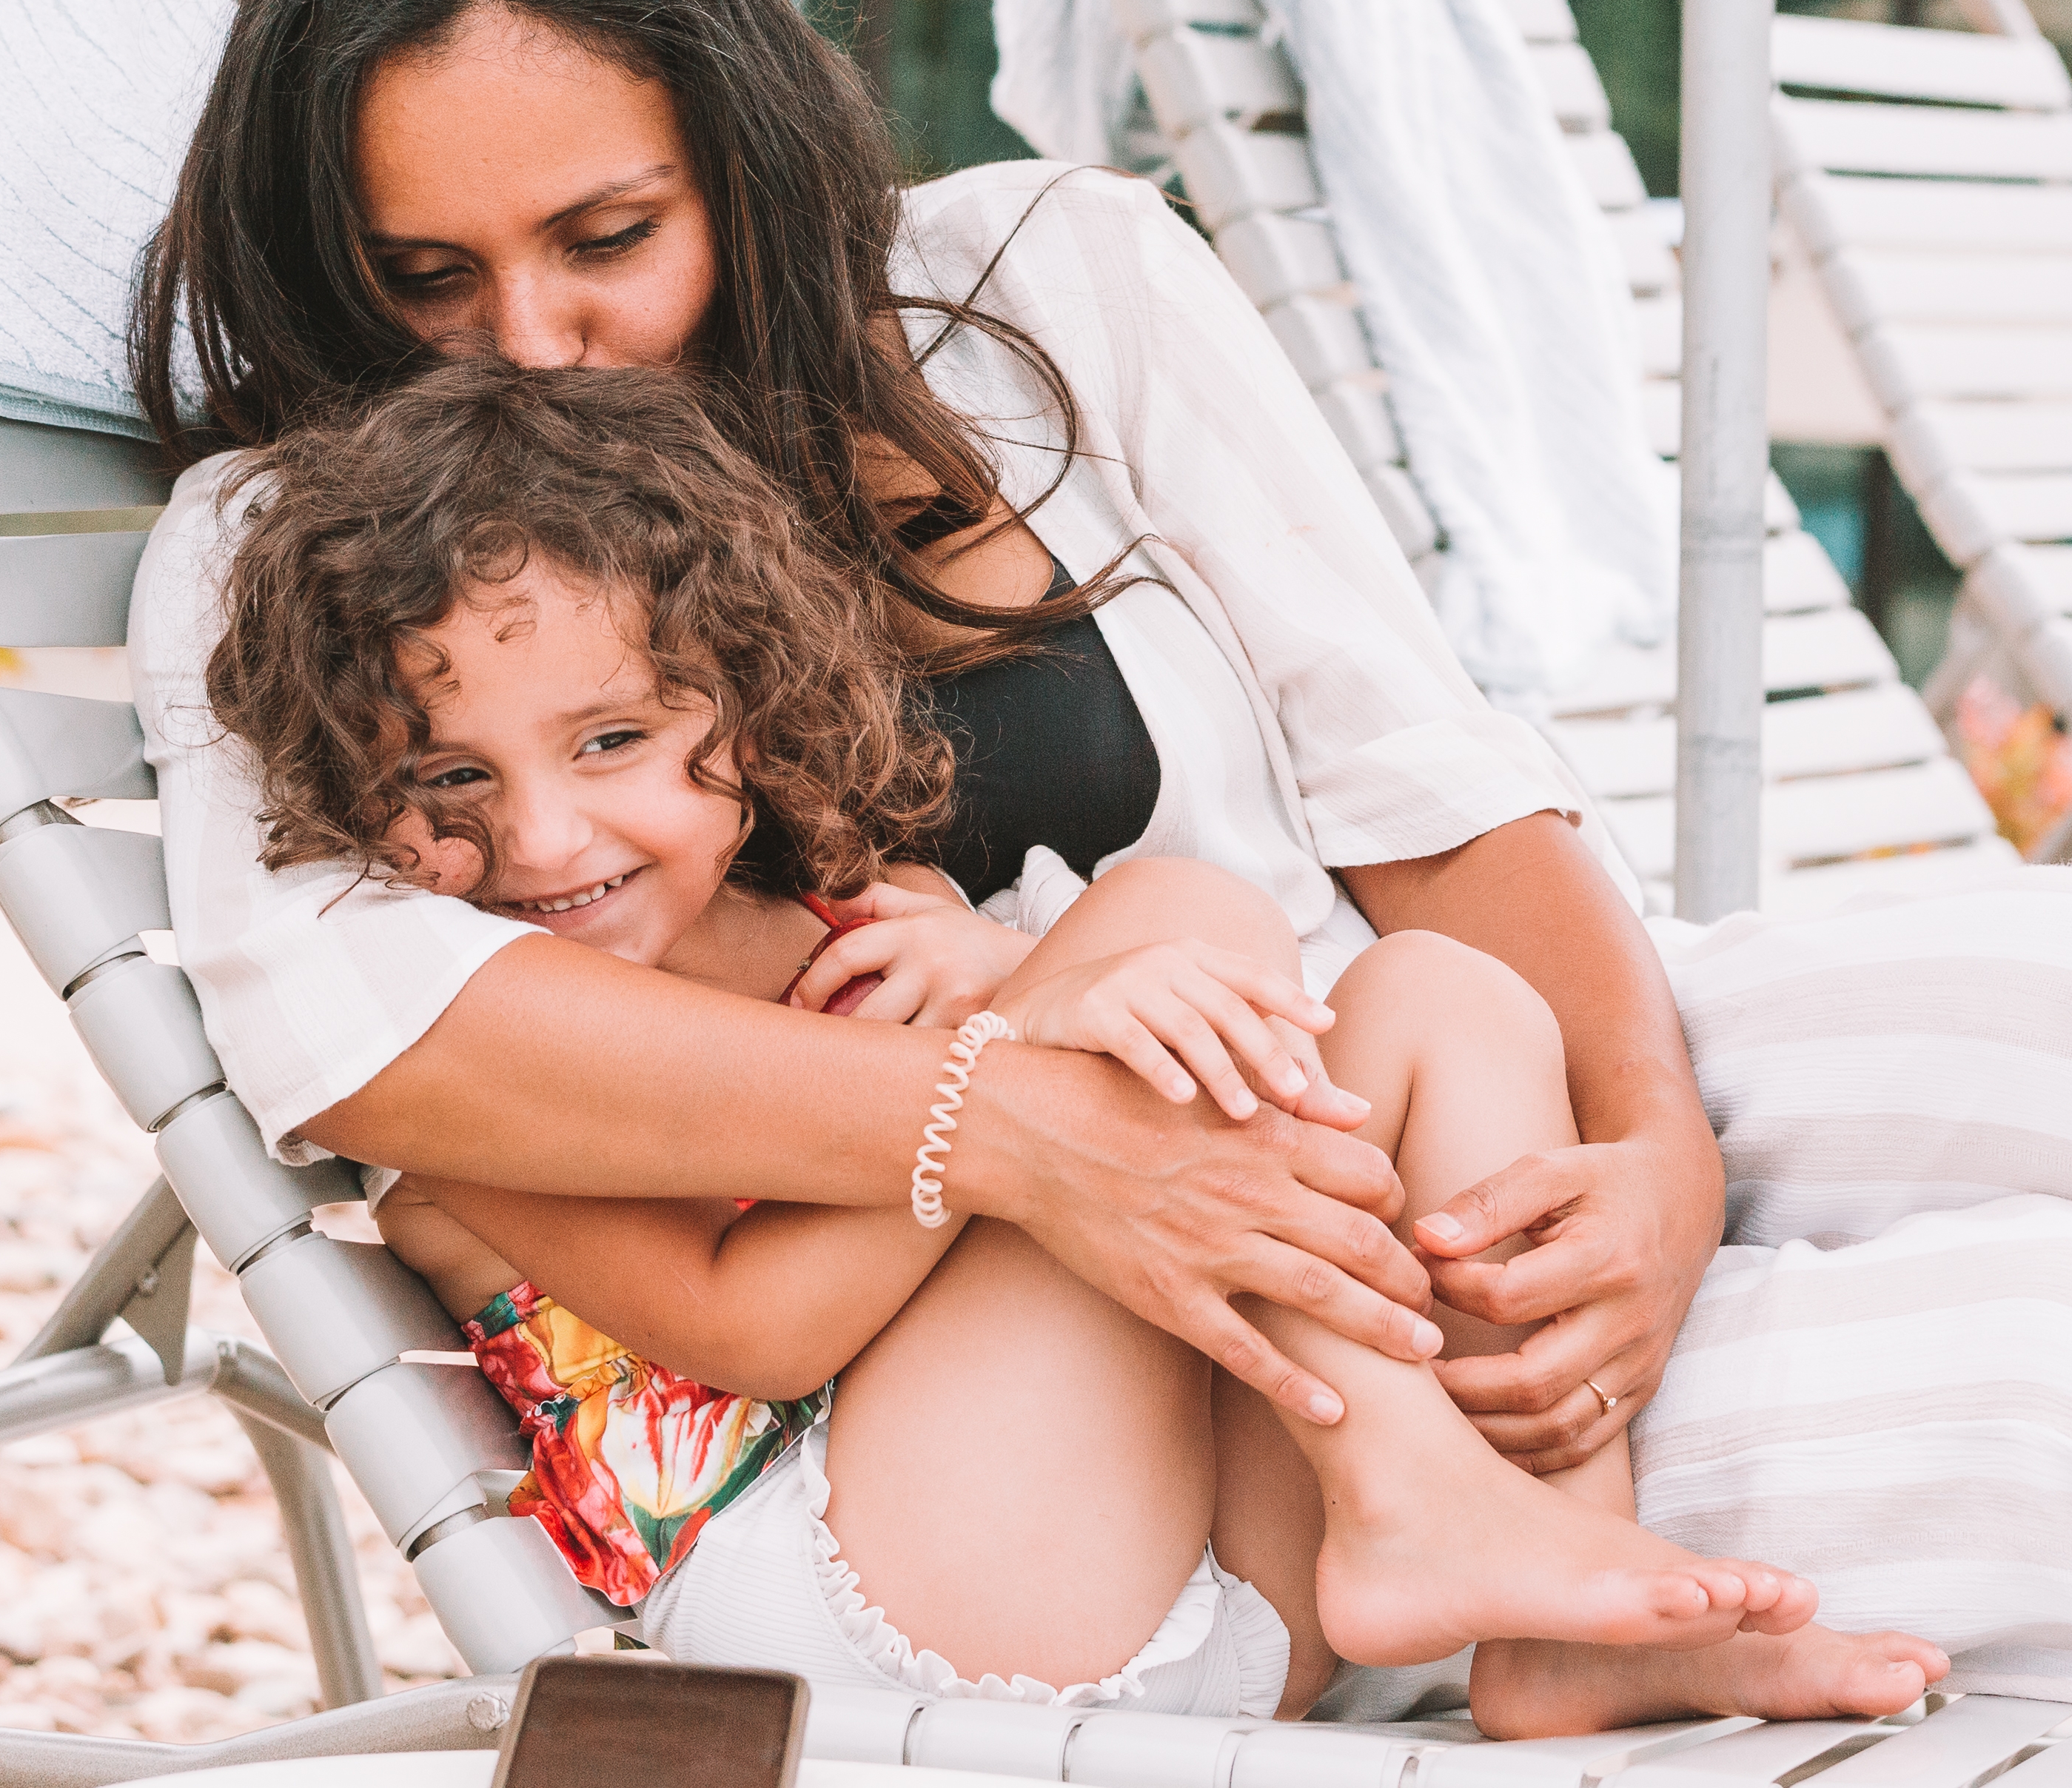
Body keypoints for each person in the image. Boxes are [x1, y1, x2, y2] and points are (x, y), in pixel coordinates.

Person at [129, 0, 2072, 1761]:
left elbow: (1434, 801)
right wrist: (1034, 1127)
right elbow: (389, 1041)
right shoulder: (309, 547)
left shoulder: (1039, 288)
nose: (541, 339)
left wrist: (1658, 1160)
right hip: (1160, 1400)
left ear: (741, 146)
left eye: (608, 234)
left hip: (1398, 1116)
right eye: (429, 278)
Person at [199, 357, 1939, 1720]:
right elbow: (753, 1321)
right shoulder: (481, 1075)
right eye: (448, 781)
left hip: (1196, 1564)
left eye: (610, 742)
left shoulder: (853, 922)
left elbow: (1127, 1077)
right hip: (855, 1611)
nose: (544, 842)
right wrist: (1021, 1042)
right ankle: (1414, 1501)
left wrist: (993, 977)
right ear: (354, 788)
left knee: (1441, 998)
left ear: (734, 697)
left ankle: (1558, 1588)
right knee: (1159, 943)